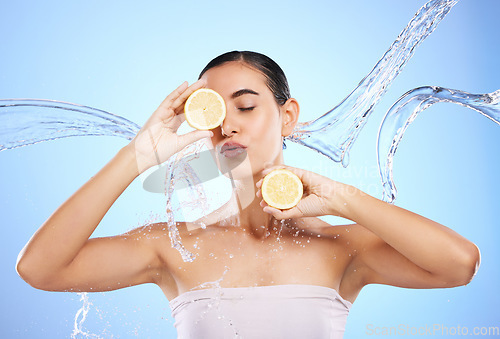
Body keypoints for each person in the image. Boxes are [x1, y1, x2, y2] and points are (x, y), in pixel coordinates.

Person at [16, 51, 480, 338]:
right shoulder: (173, 246)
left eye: (246, 105)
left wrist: (341, 198)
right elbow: (40, 268)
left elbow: (459, 264)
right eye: (213, 112)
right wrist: (138, 156)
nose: (228, 124)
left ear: (288, 115)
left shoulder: (342, 248)